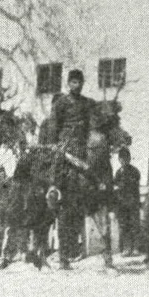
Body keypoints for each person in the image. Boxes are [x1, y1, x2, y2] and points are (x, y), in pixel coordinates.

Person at [51, 69, 96, 268]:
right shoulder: (61, 103)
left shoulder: (87, 103)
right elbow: (54, 125)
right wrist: (55, 143)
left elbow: (90, 125)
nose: (77, 85)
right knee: (59, 171)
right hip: (65, 145)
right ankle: (54, 188)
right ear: (69, 84)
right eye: (74, 82)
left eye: (80, 82)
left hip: (82, 148)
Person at [112, 147, 141, 256]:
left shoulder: (134, 171)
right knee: (124, 226)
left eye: (126, 158)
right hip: (122, 204)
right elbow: (115, 185)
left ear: (129, 159)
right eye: (121, 159)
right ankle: (126, 248)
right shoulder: (118, 172)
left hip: (132, 202)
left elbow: (132, 184)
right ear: (119, 159)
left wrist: (120, 186)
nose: (124, 161)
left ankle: (136, 248)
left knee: (134, 225)